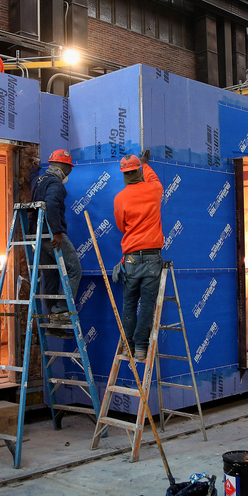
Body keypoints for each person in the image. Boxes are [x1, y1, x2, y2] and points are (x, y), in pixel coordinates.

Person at [113, 150, 163, 360]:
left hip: (132, 258)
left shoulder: (120, 198)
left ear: (124, 174)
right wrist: (145, 164)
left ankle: (129, 346)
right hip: (153, 258)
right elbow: (154, 179)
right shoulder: (154, 190)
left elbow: (121, 227)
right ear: (139, 172)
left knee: (130, 304)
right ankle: (141, 348)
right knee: (147, 305)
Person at [31, 149, 80, 339]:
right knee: (75, 269)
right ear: (65, 166)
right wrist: (57, 232)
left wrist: (33, 169)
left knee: (51, 276)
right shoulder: (56, 185)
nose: (70, 172)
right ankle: (60, 313)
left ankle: (54, 323)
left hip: (36, 234)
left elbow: (32, 178)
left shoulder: (40, 180)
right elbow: (51, 204)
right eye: (69, 167)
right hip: (50, 233)